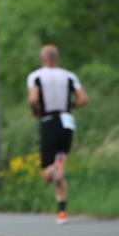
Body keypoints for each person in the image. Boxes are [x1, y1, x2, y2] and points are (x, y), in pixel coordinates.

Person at [27, 44, 89, 224]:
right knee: (61, 158)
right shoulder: (69, 75)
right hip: (67, 120)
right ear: (57, 58)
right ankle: (62, 211)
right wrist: (71, 106)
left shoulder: (36, 76)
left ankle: (55, 171)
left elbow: (32, 99)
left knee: (47, 171)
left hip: (48, 121)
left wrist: (35, 111)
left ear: (42, 59)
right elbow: (83, 99)